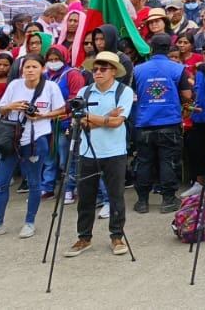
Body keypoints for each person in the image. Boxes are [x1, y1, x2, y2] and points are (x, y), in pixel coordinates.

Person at [0, 53, 66, 239]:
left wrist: (41, 116)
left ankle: (29, 222)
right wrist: (12, 106)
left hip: (36, 139)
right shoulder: (15, 85)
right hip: (12, 139)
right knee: (1, 182)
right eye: (27, 67)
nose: (30, 70)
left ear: (42, 69)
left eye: (34, 67)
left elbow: (62, 110)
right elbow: (0, 109)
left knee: (34, 183)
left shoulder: (50, 87)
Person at [63, 51, 135, 258]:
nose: (98, 72)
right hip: (87, 152)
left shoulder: (124, 92)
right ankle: (84, 237)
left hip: (115, 152)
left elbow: (117, 122)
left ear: (113, 71)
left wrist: (92, 119)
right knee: (85, 197)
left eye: (103, 69)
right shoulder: (84, 92)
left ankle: (117, 236)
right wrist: (105, 118)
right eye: (95, 69)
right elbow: (79, 122)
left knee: (115, 197)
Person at [130, 32, 191, 215]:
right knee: (168, 162)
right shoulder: (178, 69)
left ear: (151, 48)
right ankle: (168, 200)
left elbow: (133, 95)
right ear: (170, 48)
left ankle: (142, 201)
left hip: (144, 123)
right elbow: (187, 95)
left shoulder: (138, 70)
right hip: (169, 123)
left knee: (143, 162)